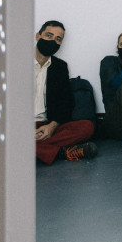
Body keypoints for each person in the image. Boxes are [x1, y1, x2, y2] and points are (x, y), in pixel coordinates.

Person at [34, 21, 97, 164]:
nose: (53, 41)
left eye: (58, 39)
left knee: (86, 127)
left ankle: (30, 149)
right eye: (49, 35)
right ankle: (62, 153)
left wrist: (51, 127)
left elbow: (65, 102)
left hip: (46, 126)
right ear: (38, 36)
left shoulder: (60, 67)